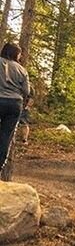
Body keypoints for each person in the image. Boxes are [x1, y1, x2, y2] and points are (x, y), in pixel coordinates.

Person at [0, 42, 30, 171]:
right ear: (15, 54)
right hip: (14, 104)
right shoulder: (22, 69)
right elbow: (26, 91)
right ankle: (0, 165)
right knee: (6, 136)